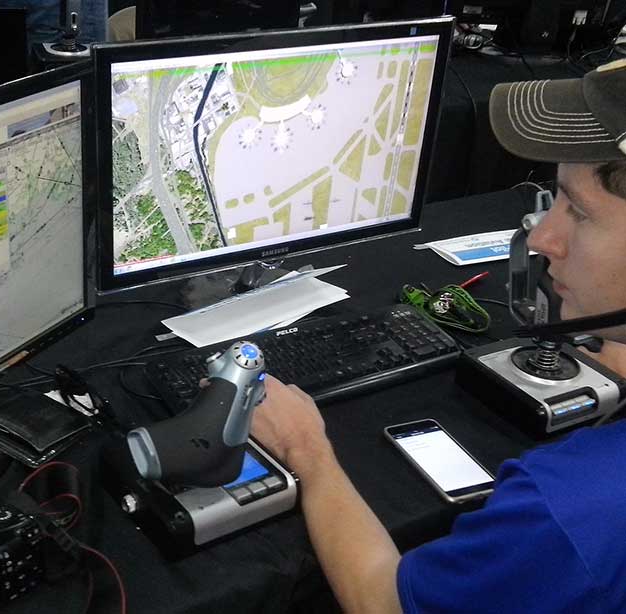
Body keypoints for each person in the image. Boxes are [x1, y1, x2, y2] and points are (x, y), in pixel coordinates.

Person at [252, 58, 626, 613]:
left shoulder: (572, 510)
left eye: (582, 213)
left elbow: (384, 601)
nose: (543, 236)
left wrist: (306, 451)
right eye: (555, 198)